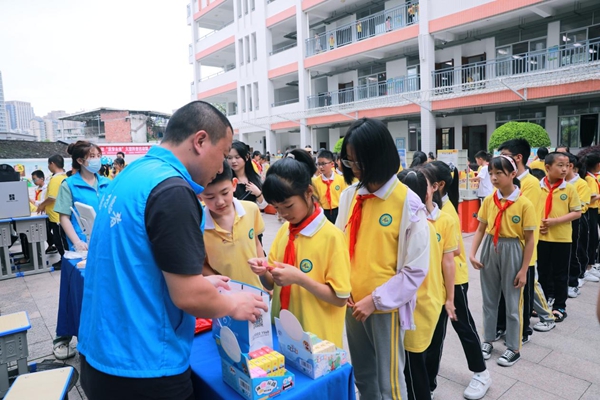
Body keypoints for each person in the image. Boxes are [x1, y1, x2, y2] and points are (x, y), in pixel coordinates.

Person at [77, 101, 268, 400]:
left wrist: (203, 283)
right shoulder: (174, 190)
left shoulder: (133, 174)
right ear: (200, 140)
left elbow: (137, 264)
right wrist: (232, 303)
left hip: (102, 351)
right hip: (144, 367)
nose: (221, 167)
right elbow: (188, 296)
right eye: (222, 154)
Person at [336, 118, 430, 400]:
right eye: (349, 160)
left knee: (390, 384)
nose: (353, 168)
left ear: (378, 157)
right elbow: (340, 244)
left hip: (383, 308)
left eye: (358, 161)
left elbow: (415, 270)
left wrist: (374, 300)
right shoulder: (349, 196)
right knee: (364, 376)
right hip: (352, 303)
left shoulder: (408, 203)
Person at [248, 149, 351, 348]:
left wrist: (299, 278)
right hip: (283, 336)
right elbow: (271, 284)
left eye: (288, 206)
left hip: (318, 342)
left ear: (308, 192)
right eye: (277, 208)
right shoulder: (286, 231)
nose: (283, 214)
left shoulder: (332, 237)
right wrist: (263, 271)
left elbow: (340, 298)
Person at [424, 161, 490, 398]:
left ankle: (481, 372)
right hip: (435, 278)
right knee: (434, 333)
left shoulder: (446, 212)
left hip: (454, 279)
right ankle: (429, 384)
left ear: (438, 185)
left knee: (462, 325)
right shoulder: (431, 206)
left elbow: (453, 254)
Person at [398, 169, 463, 400]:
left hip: (434, 299)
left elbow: (448, 260)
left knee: (429, 354)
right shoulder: (400, 220)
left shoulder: (444, 219)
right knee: (413, 361)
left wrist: (450, 299)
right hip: (409, 303)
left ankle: (427, 388)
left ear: (433, 188)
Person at [470, 155, 536, 367]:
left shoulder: (524, 203)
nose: (494, 177)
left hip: (512, 249)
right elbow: (481, 227)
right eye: (491, 173)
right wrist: (473, 253)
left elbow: (530, 239)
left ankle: (513, 347)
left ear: (513, 174)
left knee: (512, 300)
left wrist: (524, 269)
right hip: (491, 246)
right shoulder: (490, 200)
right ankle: (488, 339)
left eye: (499, 173)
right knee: (489, 298)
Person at [497, 139, 549, 339]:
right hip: (503, 245)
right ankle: (503, 325)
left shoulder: (531, 184)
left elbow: (523, 219)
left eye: (505, 156)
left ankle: (523, 330)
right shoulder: (505, 181)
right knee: (503, 290)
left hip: (521, 246)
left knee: (522, 294)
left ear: (518, 158)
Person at [200, 160, 265, 289]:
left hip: (256, 288)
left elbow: (256, 243)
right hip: (224, 295)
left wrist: (264, 276)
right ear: (199, 195)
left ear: (234, 184)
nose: (219, 202)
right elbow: (200, 263)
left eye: (225, 193)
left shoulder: (251, 209)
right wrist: (224, 284)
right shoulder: (198, 223)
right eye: (210, 197)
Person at [537, 152, 581, 322]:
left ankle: (560, 306)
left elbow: (577, 212)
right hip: (541, 238)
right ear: (547, 167)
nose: (565, 169)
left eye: (567, 165)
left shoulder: (569, 188)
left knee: (560, 274)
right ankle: (543, 303)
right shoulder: (537, 187)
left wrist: (556, 221)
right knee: (542, 272)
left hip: (562, 238)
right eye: (560, 165)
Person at [54, 141, 111, 252]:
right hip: (84, 242)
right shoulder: (69, 185)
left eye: (99, 156)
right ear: (80, 160)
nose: (97, 160)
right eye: (92, 156)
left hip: (106, 240)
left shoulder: (107, 183)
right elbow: (64, 217)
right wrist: (77, 242)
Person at [564, 153, 591, 298]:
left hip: (576, 221)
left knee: (576, 251)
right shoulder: (560, 182)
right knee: (564, 253)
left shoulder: (581, 184)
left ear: (571, 167)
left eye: (564, 166)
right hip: (561, 222)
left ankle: (574, 282)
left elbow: (582, 206)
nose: (561, 169)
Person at [35, 154, 68, 270]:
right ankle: (64, 259)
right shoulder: (64, 177)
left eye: (49, 164)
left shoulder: (55, 179)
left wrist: (42, 205)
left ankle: (65, 260)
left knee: (60, 241)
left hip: (56, 216)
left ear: (52, 164)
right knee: (61, 239)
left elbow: (52, 197)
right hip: (60, 214)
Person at [579, 150, 600, 282]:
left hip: (594, 211)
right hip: (590, 211)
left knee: (594, 237)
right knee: (592, 238)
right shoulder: (589, 179)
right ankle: (588, 267)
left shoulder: (591, 177)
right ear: (597, 165)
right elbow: (590, 199)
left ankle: (590, 265)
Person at [227, 141, 267, 210]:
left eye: (237, 157)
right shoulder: (225, 180)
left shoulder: (255, 179)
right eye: (229, 158)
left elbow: (262, 206)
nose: (233, 161)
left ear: (247, 157)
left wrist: (258, 193)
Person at [312, 149, 348, 223]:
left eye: (323, 164)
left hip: (338, 211)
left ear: (332, 164)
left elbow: (345, 198)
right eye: (318, 164)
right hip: (323, 212)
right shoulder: (315, 182)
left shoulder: (341, 179)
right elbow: (315, 200)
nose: (321, 167)